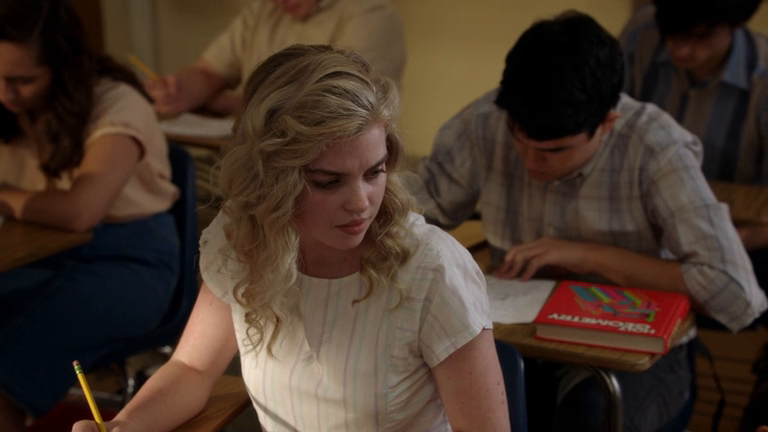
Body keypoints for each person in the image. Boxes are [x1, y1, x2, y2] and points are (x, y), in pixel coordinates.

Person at [72, 44, 509, 432]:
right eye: (328, 182)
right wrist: (126, 425)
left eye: (374, 172)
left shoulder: (432, 269)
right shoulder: (243, 238)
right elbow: (191, 368)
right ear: (271, 180)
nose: (361, 203)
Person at [412, 10, 768, 432]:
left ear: (607, 124)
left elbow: (735, 293)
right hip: (523, 340)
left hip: (631, 355)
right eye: (519, 140)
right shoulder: (486, 121)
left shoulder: (656, 148)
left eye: (555, 150)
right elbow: (419, 208)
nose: (531, 161)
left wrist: (587, 256)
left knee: (586, 418)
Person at [0, 1, 181, 431]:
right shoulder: (9, 99)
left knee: (9, 355)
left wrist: (4, 196)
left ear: (62, 69)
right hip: (39, 253)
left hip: (127, 263)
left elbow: (81, 210)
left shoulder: (115, 101)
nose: (5, 94)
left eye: (23, 81)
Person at [620, 0, 768, 288]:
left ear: (737, 24)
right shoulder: (642, 33)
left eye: (701, 37)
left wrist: (730, 242)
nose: (680, 50)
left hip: (734, 236)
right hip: (641, 224)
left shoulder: (761, 77)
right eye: (671, 34)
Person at [146, 0, 406, 116]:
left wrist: (224, 103)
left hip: (335, 170)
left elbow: (334, 109)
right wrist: (179, 89)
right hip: (259, 163)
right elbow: (210, 73)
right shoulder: (261, 12)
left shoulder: (371, 14)